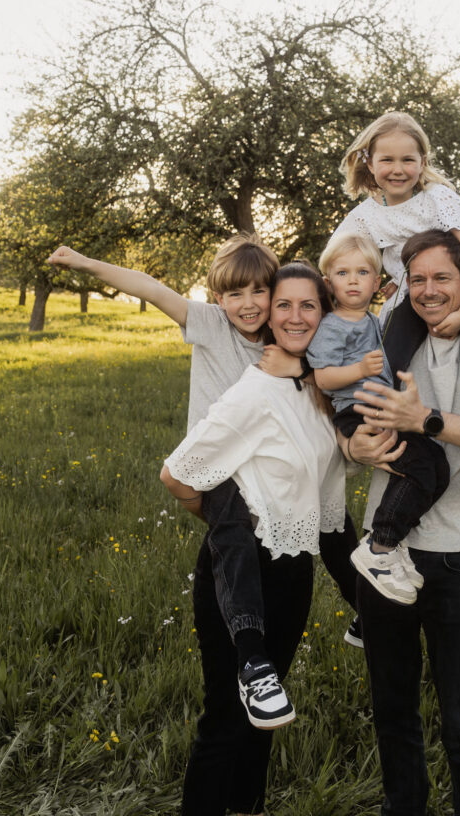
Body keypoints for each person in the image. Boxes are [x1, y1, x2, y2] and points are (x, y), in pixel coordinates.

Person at [47, 241, 356, 815]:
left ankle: (249, 806)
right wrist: (87, 264)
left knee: (263, 713)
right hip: (223, 499)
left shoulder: (304, 369)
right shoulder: (217, 331)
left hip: (291, 556)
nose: (258, 306)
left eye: (267, 295)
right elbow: (151, 287)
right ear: (218, 297)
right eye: (237, 294)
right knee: (225, 716)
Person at [341, 228, 460, 816]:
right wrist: (357, 450)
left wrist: (424, 418)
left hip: (457, 557)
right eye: (417, 279)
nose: (429, 290)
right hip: (383, 556)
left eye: (442, 277)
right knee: (394, 719)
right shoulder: (384, 345)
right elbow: (350, 431)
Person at [160, 261, 347, 730]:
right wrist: (236, 520)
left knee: (262, 723)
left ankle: (249, 807)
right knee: (224, 721)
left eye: (309, 305)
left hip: (295, 568)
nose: (296, 316)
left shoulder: (323, 386)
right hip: (241, 562)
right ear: (270, 316)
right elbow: (177, 475)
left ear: (326, 311)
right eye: (284, 305)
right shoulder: (258, 388)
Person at [330, 110, 460, 494]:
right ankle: (366, 435)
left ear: (422, 163)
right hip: (415, 293)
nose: (398, 169)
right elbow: (334, 259)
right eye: (388, 160)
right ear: (369, 162)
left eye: (408, 160)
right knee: (386, 355)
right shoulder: (364, 218)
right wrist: (376, 281)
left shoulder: (437, 199)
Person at [307, 232, 449, 605]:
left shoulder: (369, 318)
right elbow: (322, 377)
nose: (353, 280)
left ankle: (393, 540)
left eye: (362, 272)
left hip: (382, 407)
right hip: (357, 412)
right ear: (328, 283)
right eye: (342, 273)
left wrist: (390, 299)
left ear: (375, 282)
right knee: (419, 466)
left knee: (437, 464)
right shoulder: (332, 325)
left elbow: (393, 314)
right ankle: (379, 546)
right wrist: (356, 369)